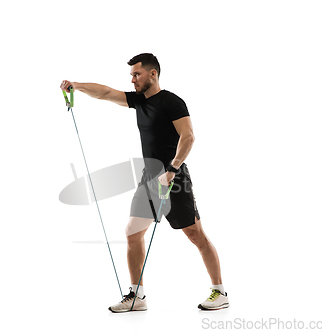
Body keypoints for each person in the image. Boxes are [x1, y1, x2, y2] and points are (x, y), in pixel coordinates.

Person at [60, 53, 228, 312]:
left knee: (196, 235)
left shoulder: (172, 102)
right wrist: (78, 86)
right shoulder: (138, 101)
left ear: (153, 74)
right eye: (131, 75)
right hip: (148, 178)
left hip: (175, 177)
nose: (132, 79)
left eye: (136, 74)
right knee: (132, 233)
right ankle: (137, 296)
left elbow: (189, 137)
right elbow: (105, 93)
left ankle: (219, 291)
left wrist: (172, 169)